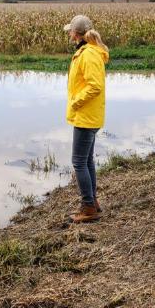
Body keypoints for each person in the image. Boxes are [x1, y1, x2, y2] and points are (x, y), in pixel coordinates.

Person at [64, 15, 109, 223]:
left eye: (70, 31)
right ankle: (92, 201)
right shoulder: (87, 51)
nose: (69, 34)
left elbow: (95, 86)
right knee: (87, 160)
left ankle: (88, 207)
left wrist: (75, 102)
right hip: (89, 114)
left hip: (86, 115)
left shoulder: (88, 54)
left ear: (76, 33)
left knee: (79, 162)